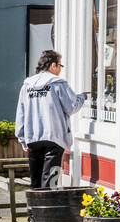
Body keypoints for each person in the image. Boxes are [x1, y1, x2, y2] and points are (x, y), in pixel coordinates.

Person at [15, 50, 88, 188]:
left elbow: (21, 114)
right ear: (53, 65)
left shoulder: (27, 86)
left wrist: (22, 139)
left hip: (33, 138)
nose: (60, 69)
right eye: (60, 65)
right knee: (50, 182)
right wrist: (82, 97)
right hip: (54, 138)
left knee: (35, 181)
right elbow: (72, 106)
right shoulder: (58, 83)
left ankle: (34, 209)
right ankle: (48, 209)